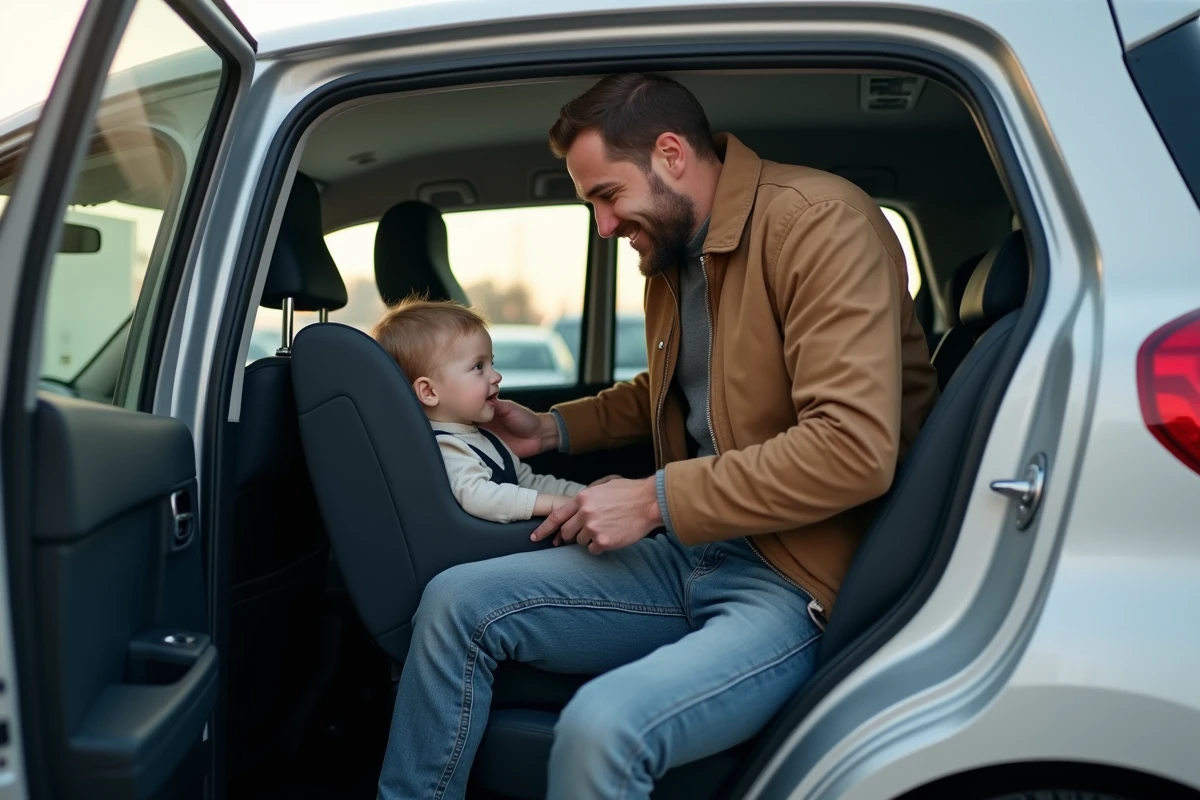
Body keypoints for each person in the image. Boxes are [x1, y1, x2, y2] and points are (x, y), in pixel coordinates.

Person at [377, 72, 939, 800]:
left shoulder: (816, 222)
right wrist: (551, 430)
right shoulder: (674, 252)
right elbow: (678, 389)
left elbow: (851, 449)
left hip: (793, 579)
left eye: (607, 197)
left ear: (671, 154)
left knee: (602, 729)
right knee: (453, 604)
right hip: (694, 549)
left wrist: (652, 501)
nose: (604, 227)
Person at [371, 296, 593, 522]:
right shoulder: (444, 447)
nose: (496, 376)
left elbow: (530, 482)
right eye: (478, 366)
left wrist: (587, 495)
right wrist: (561, 505)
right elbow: (480, 497)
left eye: (491, 364)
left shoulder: (484, 439)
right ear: (429, 392)